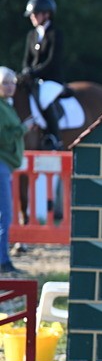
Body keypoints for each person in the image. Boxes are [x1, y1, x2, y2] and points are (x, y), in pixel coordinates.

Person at [20, 0, 66, 150]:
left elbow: (52, 61)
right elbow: (27, 59)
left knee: (44, 98)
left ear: (46, 14)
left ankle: (54, 138)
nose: (32, 17)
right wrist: (25, 72)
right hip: (34, 79)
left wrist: (32, 73)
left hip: (52, 80)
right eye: (32, 14)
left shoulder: (55, 34)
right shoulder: (31, 35)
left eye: (35, 14)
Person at [0, 67, 26, 274]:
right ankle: (3, 261)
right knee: (5, 215)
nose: (10, 87)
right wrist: (24, 128)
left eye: (13, 83)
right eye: (5, 83)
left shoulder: (8, 106)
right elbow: (4, 137)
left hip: (6, 165)